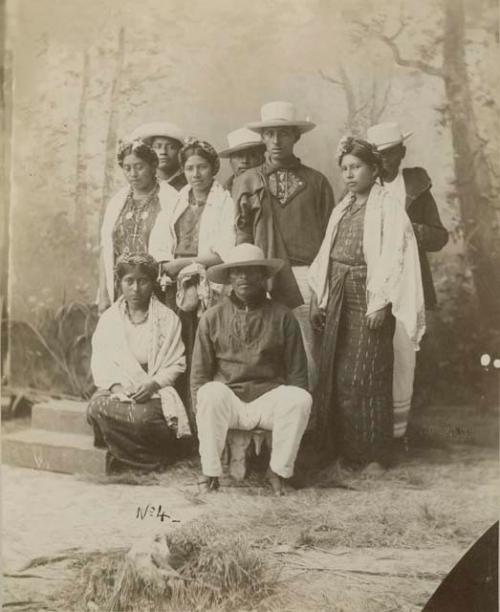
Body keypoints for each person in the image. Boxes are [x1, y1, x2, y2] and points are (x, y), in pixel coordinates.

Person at [309, 136, 425, 469]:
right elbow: (326, 256)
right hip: (338, 292)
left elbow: (395, 257)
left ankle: (371, 455)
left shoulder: (387, 207)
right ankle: (343, 451)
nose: (349, 174)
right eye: (344, 168)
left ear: (374, 169)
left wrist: (380, 303)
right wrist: (320, 297)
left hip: (368, 296)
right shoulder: (342, 207)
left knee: (364, 374)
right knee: (334, 371)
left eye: (356, 167)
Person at [191, 243, 312, 495]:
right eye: (237, 272)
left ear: (263, 277)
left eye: (251, 271)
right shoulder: (212, 317)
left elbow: (298, 375)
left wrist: (290, 406)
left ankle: (278, 471)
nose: (244, 277)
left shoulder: (282, 316)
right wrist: (203, 413)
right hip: (230, 401)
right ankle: (210, 473)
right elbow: (199, 377)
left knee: (300, 398)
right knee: (208, 393)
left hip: (269, 400)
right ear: (228, 278)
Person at [233, 101, 335, 391]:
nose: (276, 141)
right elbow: (241, 236)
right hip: (261, 276)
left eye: (284, 134)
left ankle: (311, 424)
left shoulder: (317, 182)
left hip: (307, 278)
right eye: (270, 134)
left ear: (296, 137)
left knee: (307, 350)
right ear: (263, 138)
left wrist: (320, 285)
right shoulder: (248, 180)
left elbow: (331, 238)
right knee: (262, 351)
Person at [367, 122, 449, 438]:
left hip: (409, 280)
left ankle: (401, 432)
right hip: (373, 282)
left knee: (405, 353)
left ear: (402, 153)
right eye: (377, 155)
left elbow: (440, 236)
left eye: (390, 154)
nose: (384, 161)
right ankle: (372, 430)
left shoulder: (416, 188)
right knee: (372, 353)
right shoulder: (365, 188)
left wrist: (411, 232)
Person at [149, 138, 237, 430]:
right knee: (177, 351)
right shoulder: (177, 200)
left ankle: (206, 428)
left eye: (201, 167)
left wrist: (182, 265)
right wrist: (166, 263)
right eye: (189, 168)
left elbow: (223, 251)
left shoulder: (225, 203)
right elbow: (160, 241)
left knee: (203, 352)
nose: (195, 174)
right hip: (174, 286)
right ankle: (180, 424)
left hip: (206, 286)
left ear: (213, 169)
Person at [88, 253, 190, 473]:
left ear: (152, 283)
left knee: (144, 420)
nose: (135, 288)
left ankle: (144, 459)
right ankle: (135, 458)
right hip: (118, 388)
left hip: (152, 391)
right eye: (129, 281)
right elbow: (101, 360)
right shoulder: (109, 319)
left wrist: (152, 384)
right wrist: (116, 387)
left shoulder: (168, 319)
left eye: (142, 281)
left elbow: (176, 364)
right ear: (120, 283)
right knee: (96, 407)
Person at [98, 139, 178, 314]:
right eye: (127, 168)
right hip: (122, 289)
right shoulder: (117, 202)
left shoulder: (171, 199)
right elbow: (106, 251)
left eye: (139, 167)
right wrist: (103, 294)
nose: (133, 173)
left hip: (157, 290)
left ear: (153, 166)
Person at [128, 122, 187, 190]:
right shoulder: (143, 182)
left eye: (171, 147)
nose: (163, 152)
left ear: (180, 151)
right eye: (158, 147)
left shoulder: (189, 183)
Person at [218, 127, 265, 194]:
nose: (245, 161)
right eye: (239, 156)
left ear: (262, 159)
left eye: (252, 155)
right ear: (230, 161)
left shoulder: (271, 187)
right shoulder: (221, 193)